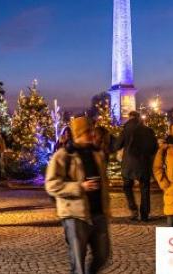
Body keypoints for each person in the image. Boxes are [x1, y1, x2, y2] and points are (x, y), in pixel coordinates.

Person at [46, 116, 111, 274]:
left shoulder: (97, 154)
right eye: (88, 131)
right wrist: (79, 187)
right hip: (75, 216)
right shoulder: (63, 155)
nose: (92, 135)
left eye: (92, 131)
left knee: (103, 255)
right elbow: (51, 185)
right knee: (78, 264)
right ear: (79, 133)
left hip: (98, 213)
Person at [112, 111, 157, 221]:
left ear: (129, 117)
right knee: (145, 189)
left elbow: (117, 146)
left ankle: (133, 209)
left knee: (127, 187)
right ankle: (145, 214)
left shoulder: (126, 130)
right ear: (139, 118)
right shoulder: (148, 130)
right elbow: (154, 147)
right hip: (144, 163)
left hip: (129, 164)